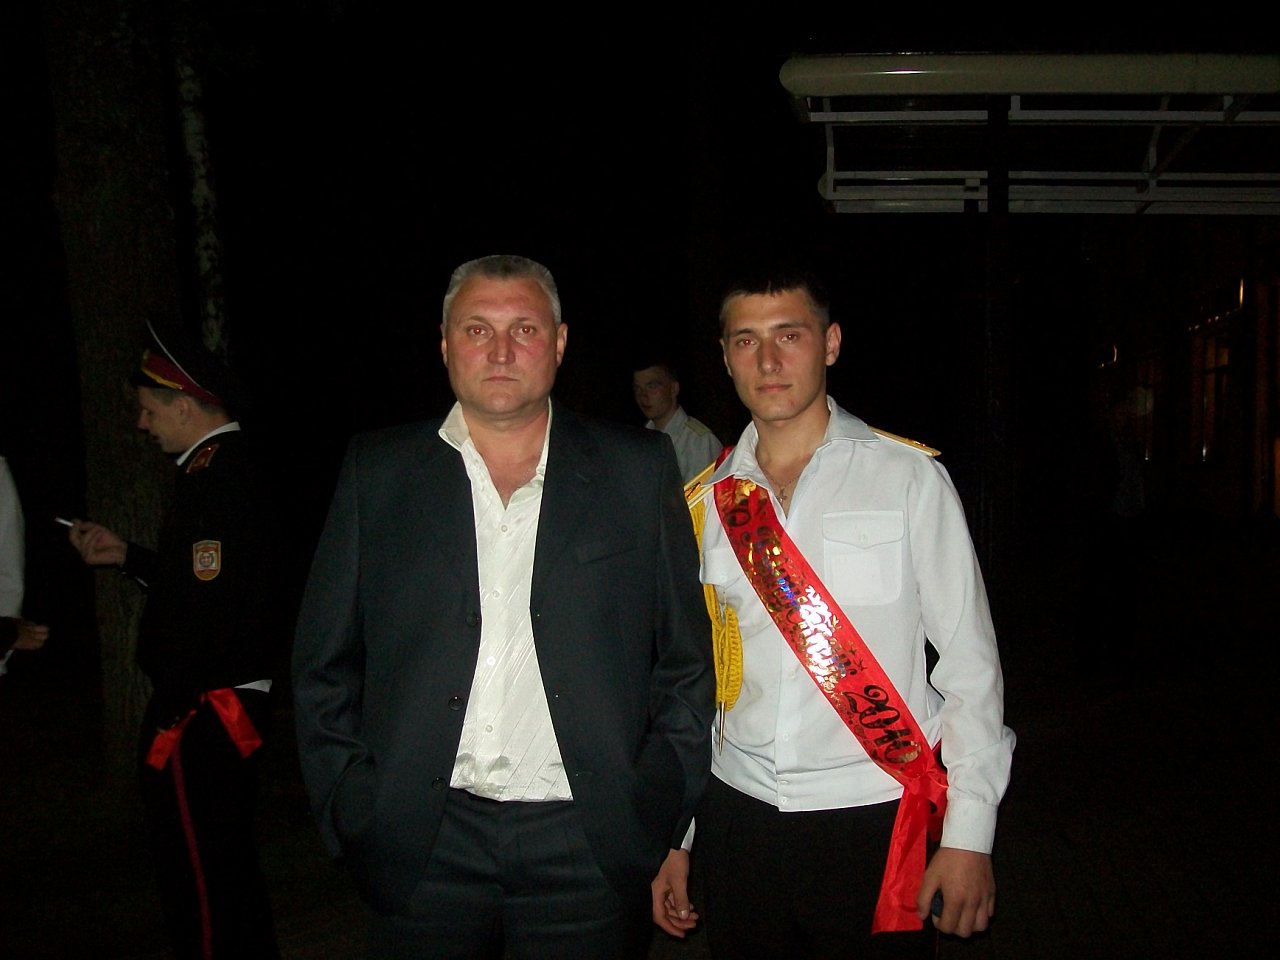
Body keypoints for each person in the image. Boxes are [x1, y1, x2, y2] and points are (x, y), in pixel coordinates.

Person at [291, 254, 714, 960]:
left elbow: (684, 660)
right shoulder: (379, 472)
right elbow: (322, 663)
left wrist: (657, 804)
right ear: (444, 344)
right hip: (423, 840)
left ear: (559, 342)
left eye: (524, 328)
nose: (500, 350)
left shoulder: (635, 470)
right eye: (477, 329)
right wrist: (352, 804)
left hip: (587, 843)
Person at [651, 264, 1016, 959]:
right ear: (725, 356)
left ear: (831, 343)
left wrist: (969, 834)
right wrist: (680, 836)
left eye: (789, 335)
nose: (768, 359)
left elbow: (971, 666)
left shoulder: (908, 479)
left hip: (874, 816)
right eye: (746, 340)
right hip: (737, 818)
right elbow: (698, 685)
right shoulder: (706, 502)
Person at [67, 318, 282, 959]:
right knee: (224, 870)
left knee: (201, 883)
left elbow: (210, 612)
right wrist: (128, 556)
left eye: (149, 409)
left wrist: (176, 705)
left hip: (206, 712)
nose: (141, 424)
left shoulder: (217, 478)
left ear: (184, 405)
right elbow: (201, 582)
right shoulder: (219, 471)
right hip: (214, 704)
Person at [631, 358, 723, 484]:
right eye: (638, 389)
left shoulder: (699, 441)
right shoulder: (640, 439)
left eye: (651, 387)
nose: (643, 396)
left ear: (673, 389)